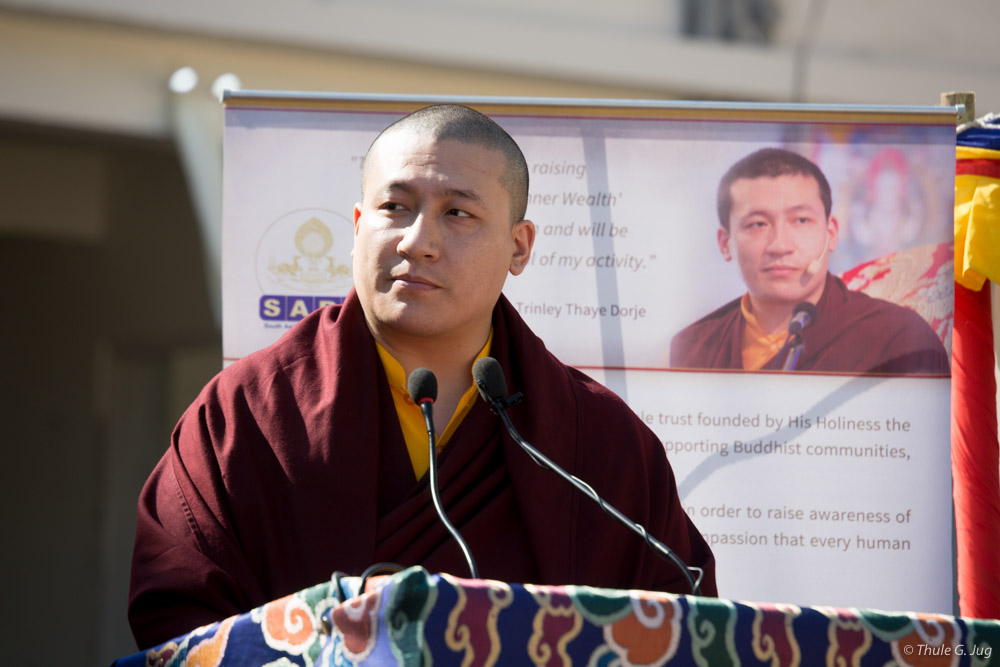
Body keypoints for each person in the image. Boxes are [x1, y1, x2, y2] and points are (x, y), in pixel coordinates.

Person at [128, 104, 717, 649]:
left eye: (457, 213)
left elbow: (679, 627)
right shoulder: (252, 412)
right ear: (359, 224)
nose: (418, 241)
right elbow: (179, 617)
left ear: (519, 246)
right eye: (395, 208)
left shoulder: (597, 440)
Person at [670, 147, 950, 375]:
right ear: (725, 243)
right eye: (757, 224)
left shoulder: (897, 338)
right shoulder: (694, 347)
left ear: (831, 233)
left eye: (801, 220)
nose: (780, 245)